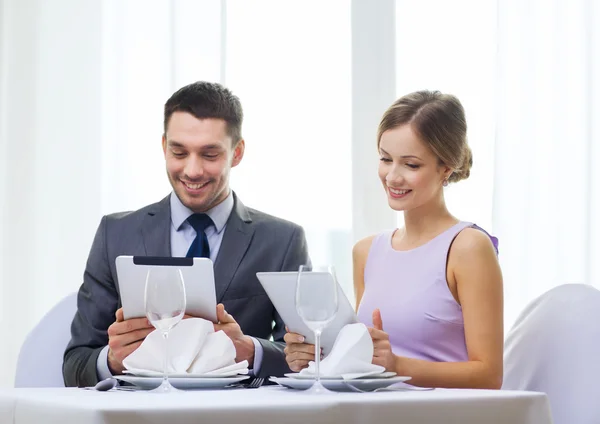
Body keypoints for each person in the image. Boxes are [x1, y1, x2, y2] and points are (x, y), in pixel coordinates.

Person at [63, 81, 309, 387]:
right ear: (164, 146)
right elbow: (75, 364)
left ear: (237, 152)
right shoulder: (115, 234)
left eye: (209, 155)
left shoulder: (282, 241)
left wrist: (252, 351)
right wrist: (112, 360)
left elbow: (310, 358)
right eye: (179, 152)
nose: (192, 171)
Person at [284, 90, 503, 389]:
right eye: (386, 159)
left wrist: (398, 366)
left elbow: (489, 375)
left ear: (446, 168)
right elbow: (366, 357)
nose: (392, 176)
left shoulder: (467, 247)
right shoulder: (366, 251)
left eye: (411, 165)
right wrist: (313, 357)